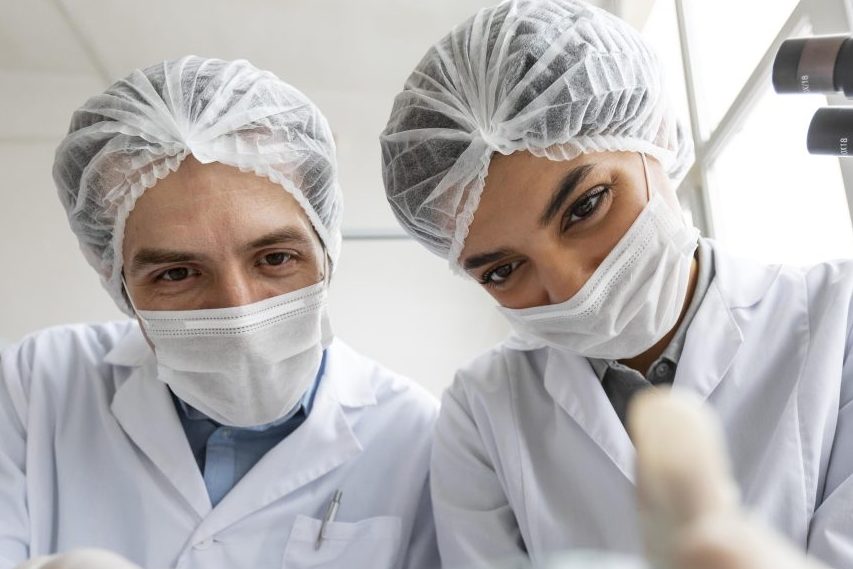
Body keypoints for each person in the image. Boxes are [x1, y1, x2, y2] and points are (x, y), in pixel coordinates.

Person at [380, 1, 853, 568]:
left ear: (655, 136)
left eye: (586, 207)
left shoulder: (840, 319)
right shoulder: (481, 413)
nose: (571, 286)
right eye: (502, 270)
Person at [0, 56, 439, 569]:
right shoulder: (37, 385)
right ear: (118, 282)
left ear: (327, 252)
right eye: (177, 273)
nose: (238, 308)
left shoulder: (417, 435)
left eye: (275, 258)